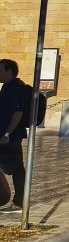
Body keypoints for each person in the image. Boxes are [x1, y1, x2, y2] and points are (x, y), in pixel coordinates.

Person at [0, 59, 32, 211]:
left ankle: (19, 202)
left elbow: (18, 112)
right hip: (8, 135)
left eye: (0, 70)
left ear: (9, 71)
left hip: (9, 136)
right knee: (17, 168)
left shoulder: (15, 88)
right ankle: (19, 202)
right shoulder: (8, 87)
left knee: (17, 168)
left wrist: (7, 134)